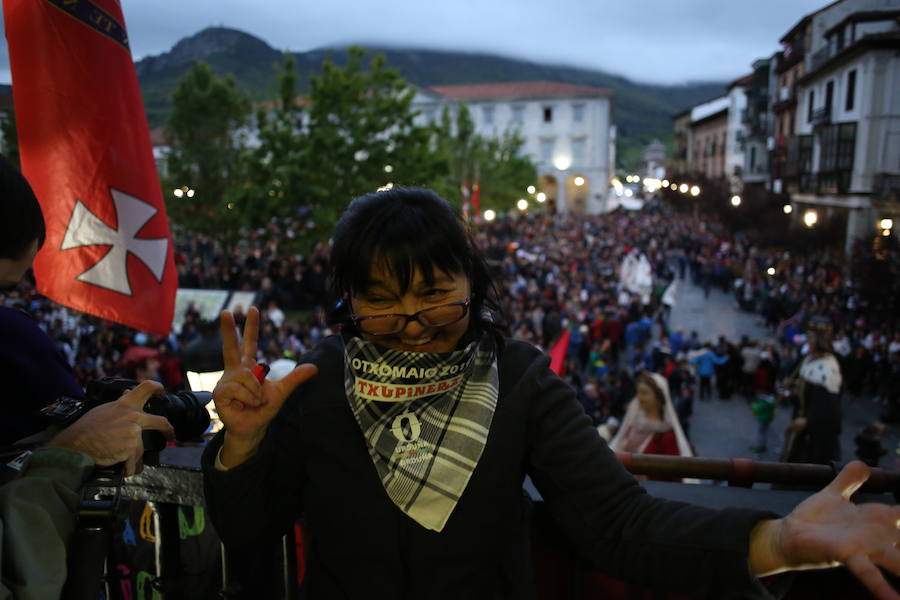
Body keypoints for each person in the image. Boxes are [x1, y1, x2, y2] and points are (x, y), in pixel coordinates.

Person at [203, 188, 900, 599]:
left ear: (473, 282)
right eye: (381, 305)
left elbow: (621, 524)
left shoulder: (522, 379)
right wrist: (243, 445)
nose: (412, 326)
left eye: (436, 299)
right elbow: (248, 527)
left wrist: (773, 538)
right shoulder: (315, 384)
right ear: (345, 300)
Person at [781, 316, 844, 465]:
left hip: (813, 438)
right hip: (800, 425)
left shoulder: (827, 368)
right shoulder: (808, 359)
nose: (808, 341)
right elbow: (806, 391)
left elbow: (829, 409)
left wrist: (808, 421)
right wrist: (794, 384)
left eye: (811, 338)